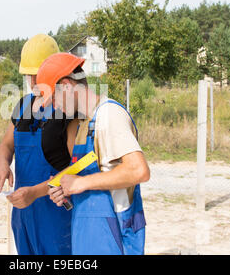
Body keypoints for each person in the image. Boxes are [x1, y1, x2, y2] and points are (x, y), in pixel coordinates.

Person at [37, 52, 150, 255]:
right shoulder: (84, 125)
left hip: (113, 239)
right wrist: (67, 190)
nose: (54, 106)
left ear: (67, 85)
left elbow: (138, 170)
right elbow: (97, 180)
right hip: (88, 239)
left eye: (53, 98)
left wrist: (80, 183)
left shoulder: (108, 115)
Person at [0, 34, 78, 255]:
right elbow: (6, 146)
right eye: (29, 75)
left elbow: (76, 168)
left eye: (38, 75)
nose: (33, 82)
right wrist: (2, 165)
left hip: (56, 212)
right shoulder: (23, 106)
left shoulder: (69, 109)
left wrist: (36, 193)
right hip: (24, 211)